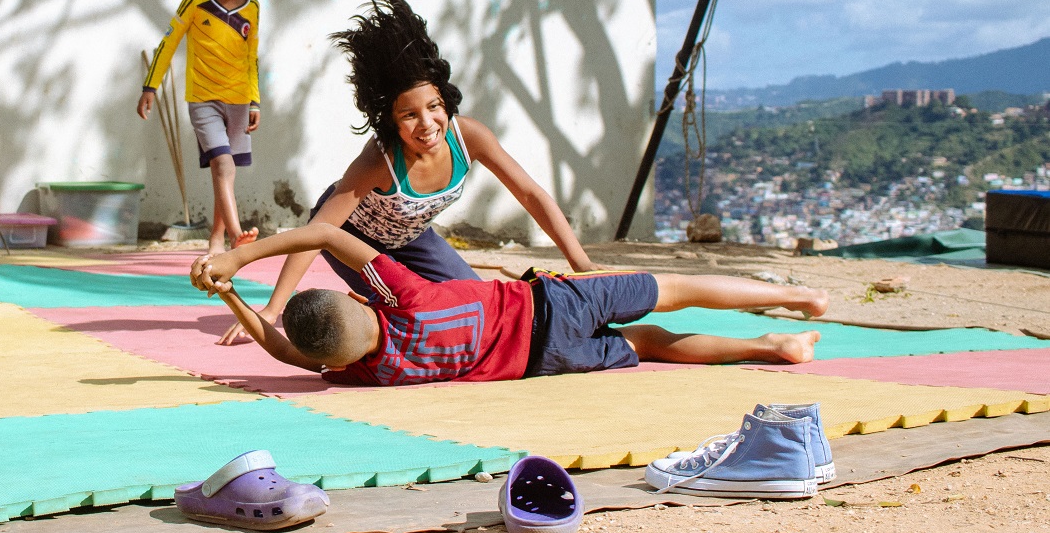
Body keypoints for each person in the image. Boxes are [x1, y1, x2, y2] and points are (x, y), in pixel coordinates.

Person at [218, 0, 600, 344]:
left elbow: (531, 194)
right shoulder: (379, 160)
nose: (427, 124)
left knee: (478, 305)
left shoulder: (470, 137)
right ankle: (370, 305)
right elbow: (319, 231)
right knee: (420, 315)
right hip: (354, 240)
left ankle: (374, 302)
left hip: (413, 237)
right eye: (409, 114)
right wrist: (273, 307)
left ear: (446, 101)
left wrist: (580, 263)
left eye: (434, 107)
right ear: (391, 122)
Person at [191, 222, 828, 385]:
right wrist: (238, 262)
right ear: (363, 298)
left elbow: (285, 352)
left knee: (649, 344)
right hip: (554, 305)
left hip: (546, 359)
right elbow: (329, 234)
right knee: (675, 289)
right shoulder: (402, 298)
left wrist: (232, 299)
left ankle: (770, 348)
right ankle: (798, 297)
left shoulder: (364, 372)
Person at [139, 0, 260, 254]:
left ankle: (217, 239)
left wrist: (255, 101)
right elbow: (169, 42)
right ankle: (236, 235)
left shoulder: (253, 8)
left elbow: (252, 58)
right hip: (203, 100)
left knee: (225, 174)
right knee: (223, 165)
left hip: (239, 101)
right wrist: (150, 86)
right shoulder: (195, 0)